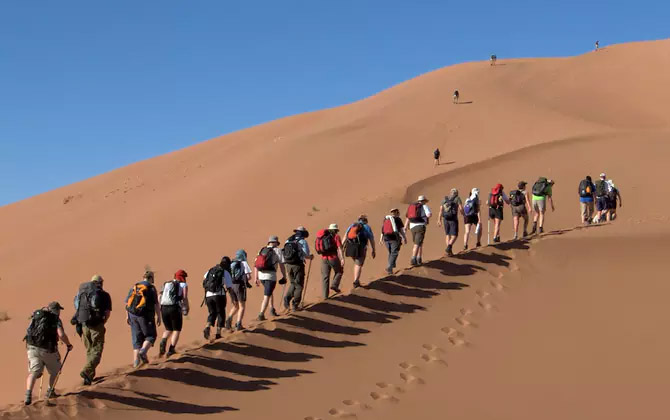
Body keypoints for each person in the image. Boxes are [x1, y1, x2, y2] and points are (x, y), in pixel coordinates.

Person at [24, 302, 73, 405]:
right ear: (56, 310)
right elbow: (61, 334)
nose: (59, 312)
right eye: (59, 310)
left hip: (32, 347)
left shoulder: (36, 316)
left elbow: (28, 331)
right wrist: (68, 344)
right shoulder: (55, 319)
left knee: (34, 372)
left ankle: (28, 394)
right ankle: (50, 392)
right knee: (55, 370)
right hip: (48, 349)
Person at [73, 274, 111, 386]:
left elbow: (77, 308)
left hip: (84, 325)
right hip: (97, 325)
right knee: (97, 351)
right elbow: (107, 313)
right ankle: (86, 370)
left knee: (90, 351)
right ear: (100, 283)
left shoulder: (82, 294)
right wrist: (102, 323)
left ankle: (88, 378)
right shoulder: (104, 295)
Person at [125, 270, 161, 368]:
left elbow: (127, 303)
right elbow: (156, 304)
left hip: (133, 315)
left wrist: (127, 316)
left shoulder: (135, 287)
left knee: (137, 339)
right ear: (150, 278)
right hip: (145, 316)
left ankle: (136, 363)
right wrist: (159, 316)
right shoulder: (151, 288)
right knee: (151, 336)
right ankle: (143, 351)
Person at [254, 236, 287, 321]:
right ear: (275, 242)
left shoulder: (261, 250)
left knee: (269, 292)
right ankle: (261, 314)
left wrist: (256, 277)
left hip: (261, 276)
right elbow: (282, 265)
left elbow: (256, 265)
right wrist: (284, 276)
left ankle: (272, 309)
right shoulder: (277, 250)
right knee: (267, 296)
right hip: (270, 277)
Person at [283, 226, 314, 312]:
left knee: (293, 283)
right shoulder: (302, 241)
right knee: (299, 285)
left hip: (288, 265)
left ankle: (287, 299)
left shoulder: (288, 240)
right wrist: (310, 257)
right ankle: (295, 305)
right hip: (298, 265)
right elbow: (306, 254)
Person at [158, 269, 189, 357]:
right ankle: (171, 349)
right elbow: (185, 298)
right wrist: (186, 308)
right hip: (174, 308)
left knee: (168, 329)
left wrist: (160, 307)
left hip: (164, 308)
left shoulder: (166, 283)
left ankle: (163, 340)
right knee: (176, 330)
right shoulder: (183, 285)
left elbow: (159, 296)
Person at [343, 215, 376, 288]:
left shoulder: (352, 225)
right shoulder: (366, 227)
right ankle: (356, 281)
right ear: (365, 220)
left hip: (350, 247)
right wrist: (373, 250)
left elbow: (345, 236)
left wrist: (341, 247)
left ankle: (357, 279)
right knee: (358, 264)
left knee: (357, 263)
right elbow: (371, 239)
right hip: (360, 248)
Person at [317, 223, 346, 298]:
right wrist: (342, 258)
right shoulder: (336, 236)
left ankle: (325, 296)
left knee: (325, 277)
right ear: (336, 230)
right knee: (339, 271)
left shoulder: (323, 236)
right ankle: (334, 285)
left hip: (324, 258)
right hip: (333, 257)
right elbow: (339, 248)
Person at [203, 257, 229, 340]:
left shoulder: (211, 270)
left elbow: (204, 280)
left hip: (208, 295)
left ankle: (207, 326)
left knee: (212, 313)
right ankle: (218, 333)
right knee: (221, 313)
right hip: (219, 295)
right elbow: (229, 286)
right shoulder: (224, 272)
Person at [226, 249, 252, 331]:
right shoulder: (243, 263)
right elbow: (249, 277)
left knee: (235, 305)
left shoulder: (231, 263)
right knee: (242, 306)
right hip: (239, 286)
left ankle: (228, 320)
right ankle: (238, 324)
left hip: (230, 286)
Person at [405, 195, 432, 266]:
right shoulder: (424, 206)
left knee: (419, 243)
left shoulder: (412, 206)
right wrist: (428, 216)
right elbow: (429, 215)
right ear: (424, 201)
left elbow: (407, 217)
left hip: (412, 227)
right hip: (420, 226)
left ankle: (419, 258)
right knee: (417, 244)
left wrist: (405, 226)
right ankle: (413, 259)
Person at [379, 208, 407, 274]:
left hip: (386, 239)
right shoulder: (398, 219)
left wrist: (381, 239)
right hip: (394, 238)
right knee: (394, 253)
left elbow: (382, 230)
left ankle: (390, 268)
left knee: (391, 253)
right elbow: (400, 230)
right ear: (397, 212)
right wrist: (404, 237)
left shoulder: (386, 219)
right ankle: (389, 267)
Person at [437, 188, 464, 256]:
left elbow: (441, 210)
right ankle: (449, 247)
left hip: (445, 218)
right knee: (455, 235)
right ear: (456, 193)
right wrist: (464, 214)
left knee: (447, 234)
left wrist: (439, 219)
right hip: (453, 218)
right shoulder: (457, 198)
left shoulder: (445, 199)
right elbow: (461, 208)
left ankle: (449, 251)